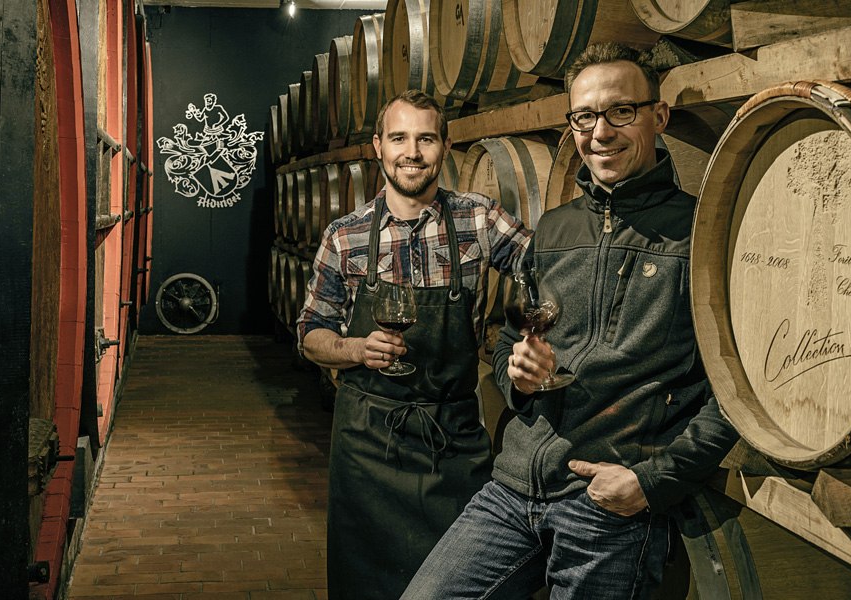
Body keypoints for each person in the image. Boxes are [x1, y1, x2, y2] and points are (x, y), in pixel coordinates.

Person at [401, 43, 739, 599]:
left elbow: (735, 390)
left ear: (658, 116)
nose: (600, 132)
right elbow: (517, 336)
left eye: (619, 112)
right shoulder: (554, 230)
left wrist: (651, 482)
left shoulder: (699, 234)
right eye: (584, 116)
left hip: (606, 505)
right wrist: (519, 374)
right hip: (512, 489)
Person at [296, 89, 532, 599]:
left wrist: (528, 333)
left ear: (445, 146)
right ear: (378, 146)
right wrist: (356, 349)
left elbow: (545, 269)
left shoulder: (479, 219)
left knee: (465, 581)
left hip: (451, 436)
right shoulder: (346, 235)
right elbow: (311, 333)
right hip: (367, 441)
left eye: (426, 138)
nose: (412, 151)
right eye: (399, 138)